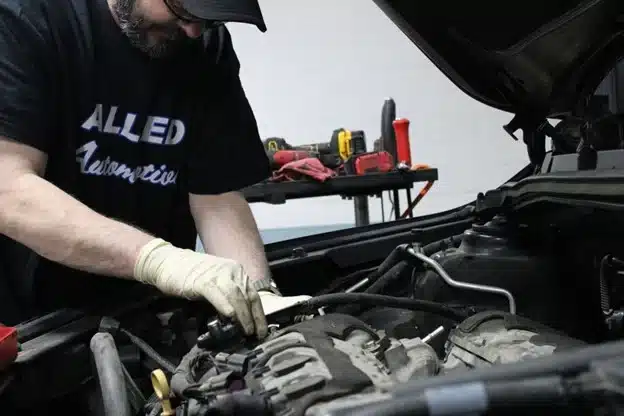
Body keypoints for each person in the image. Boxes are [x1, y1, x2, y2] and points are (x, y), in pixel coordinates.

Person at [0, 0, 308, 337]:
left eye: (206, 20)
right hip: (28, 331)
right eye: (183, 12)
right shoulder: (29, 19)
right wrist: (159, 260)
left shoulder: (203, 45)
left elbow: (216, 195)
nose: (193, 30)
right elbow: (10, 189)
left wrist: (259, 294)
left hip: (146, 325)